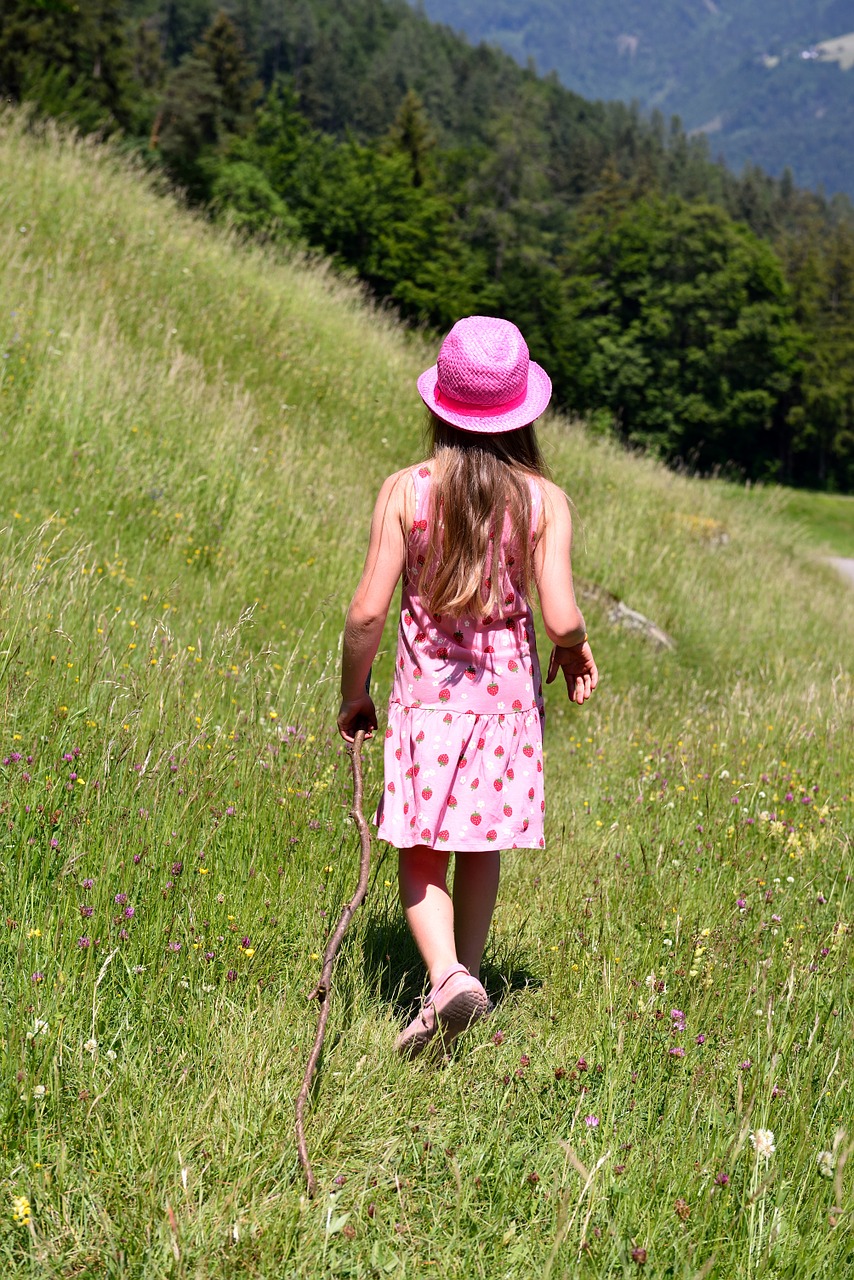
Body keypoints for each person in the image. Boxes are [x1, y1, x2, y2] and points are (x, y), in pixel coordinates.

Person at [337, 315, 598, 1058]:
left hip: (427, 709)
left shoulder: (408, 491)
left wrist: (355, 692)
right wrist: (575, 650)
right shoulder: (543, 501)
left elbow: (365, 612)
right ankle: (464, 985)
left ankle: (446, 975)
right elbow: (560, 615)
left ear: (439, 404)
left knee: (421, 850)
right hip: (507, 713)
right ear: (523, 411)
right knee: (481, 848)